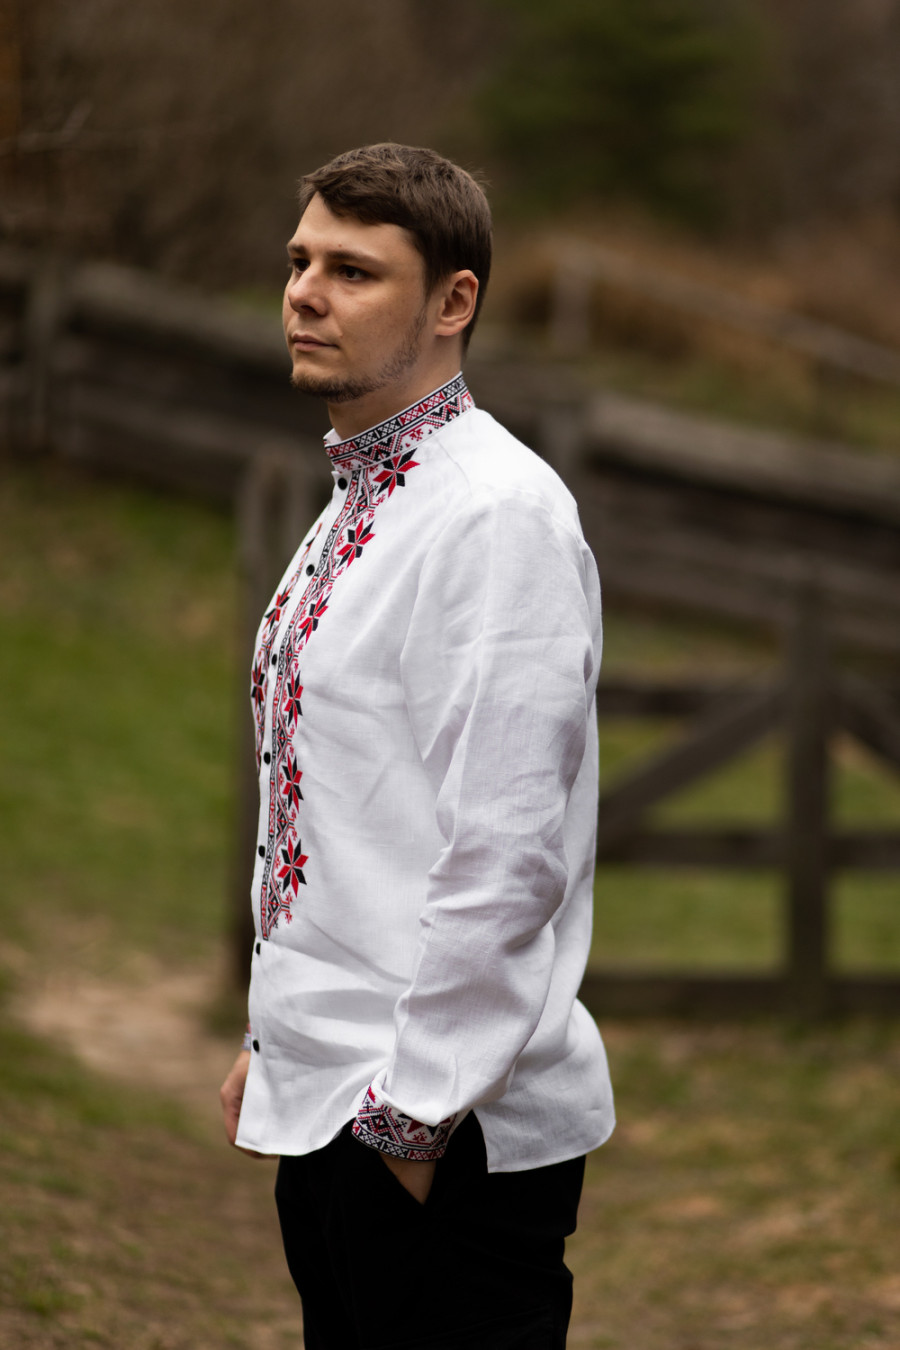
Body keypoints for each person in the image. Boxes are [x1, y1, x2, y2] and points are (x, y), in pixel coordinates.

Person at [219, 142, 615, 1350]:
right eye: (299, 263)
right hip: (338, 1099)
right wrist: (278, 1037)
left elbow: (507, 851)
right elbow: (349, 808)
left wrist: (408, 1124)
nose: (305, 293)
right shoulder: (363, 498)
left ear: (454, 303)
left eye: (353, 271)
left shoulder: (495, 516)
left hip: (441, 1131)